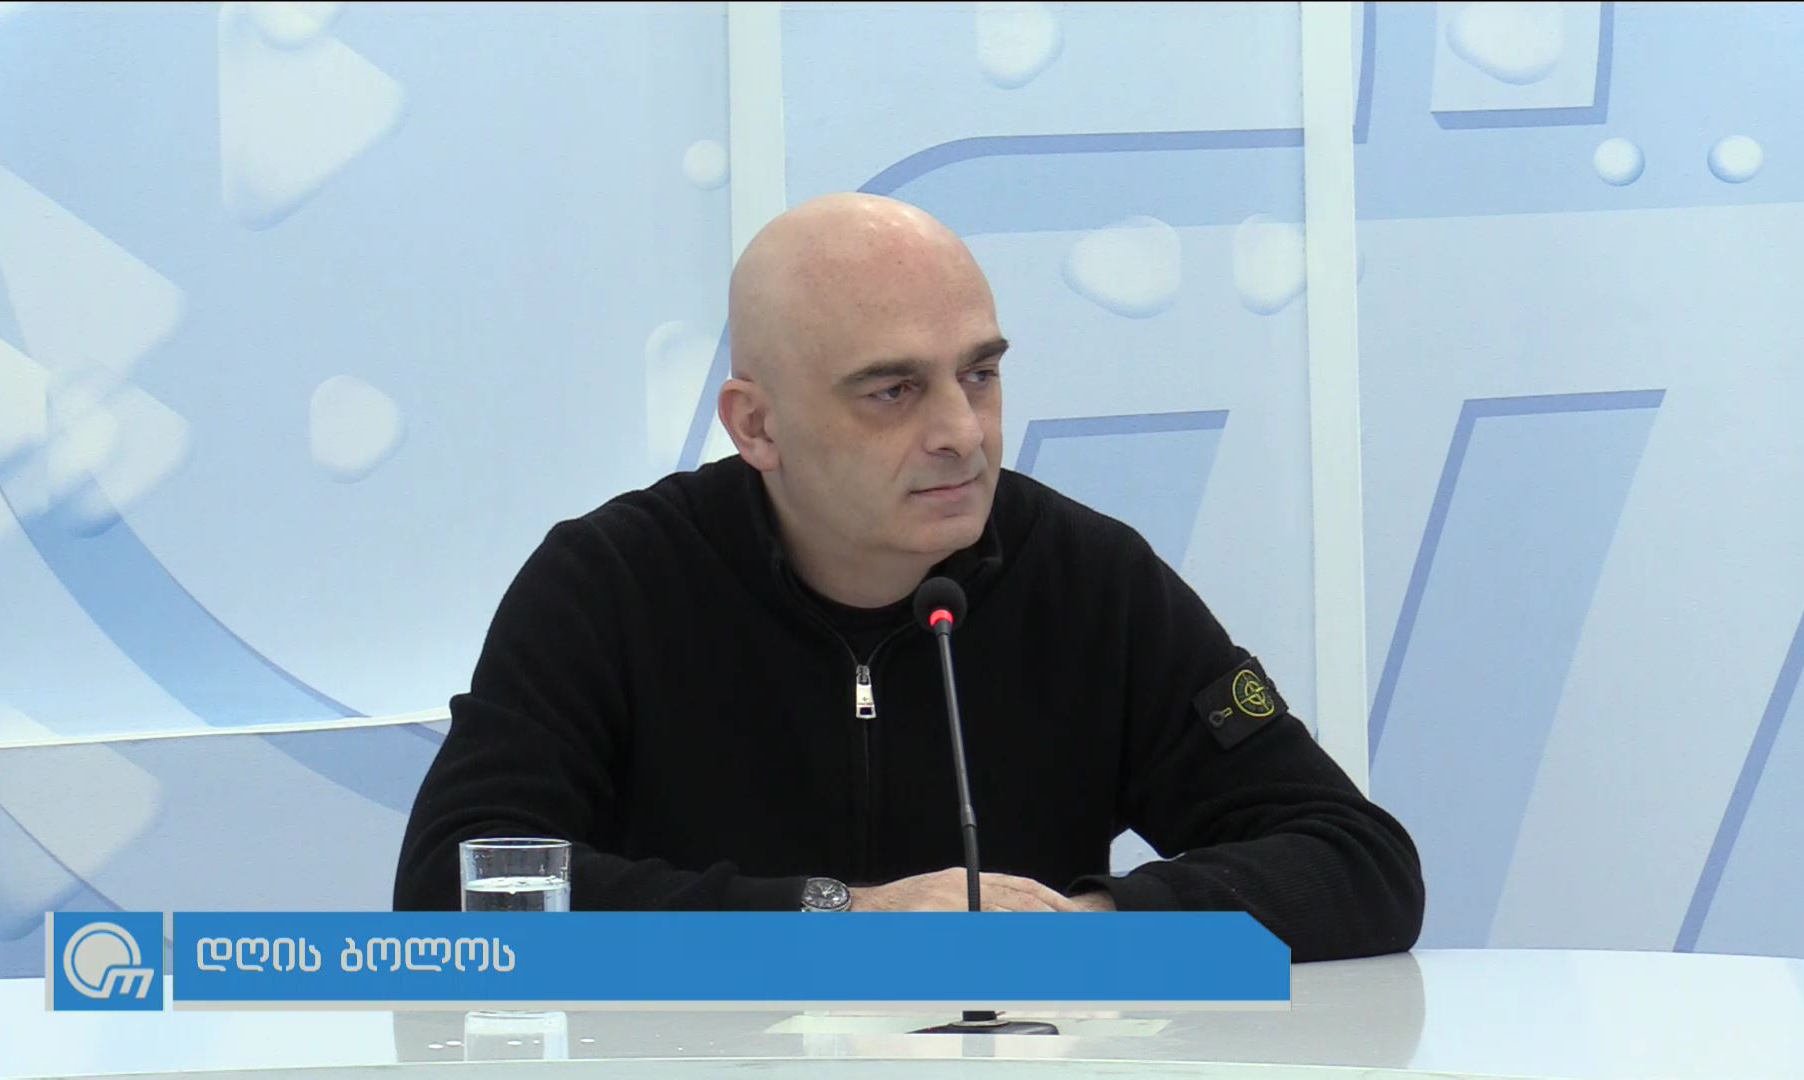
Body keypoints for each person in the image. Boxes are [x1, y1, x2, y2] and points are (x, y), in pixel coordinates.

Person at [394, 193, 1423, 961]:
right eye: (892, 391)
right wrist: (839, 918)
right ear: (757, 426)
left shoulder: (1089, 580)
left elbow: (1356, 858)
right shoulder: (610, 584)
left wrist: (1091, 922)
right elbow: (457, 885)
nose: (961, 433)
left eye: (980, 373)